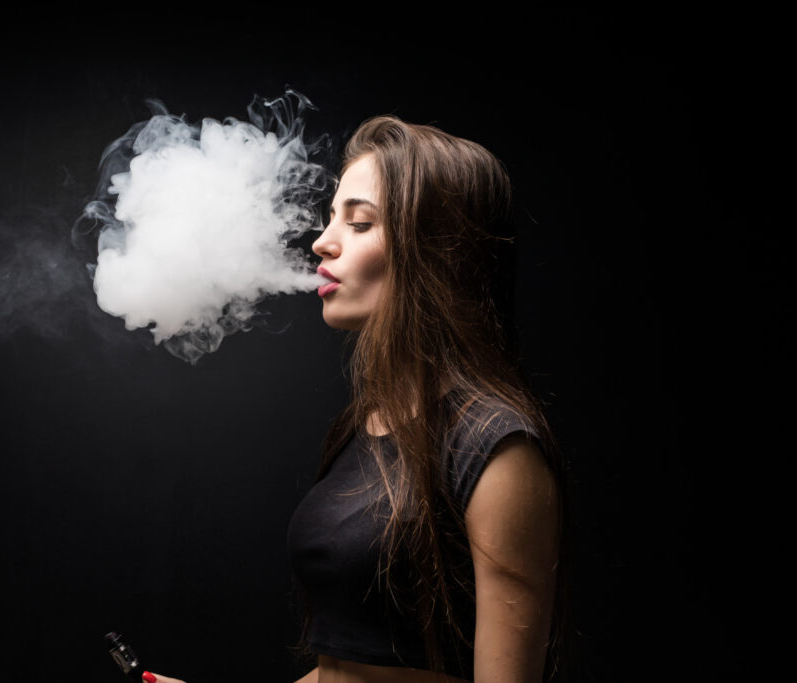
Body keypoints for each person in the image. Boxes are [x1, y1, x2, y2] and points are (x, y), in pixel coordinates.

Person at [146, 116, 566, 683]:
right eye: (330, 217)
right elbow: (344, 671)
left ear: (436, 249)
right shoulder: (364, 425)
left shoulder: (495, 446)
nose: (322, 241)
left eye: (361, 222)